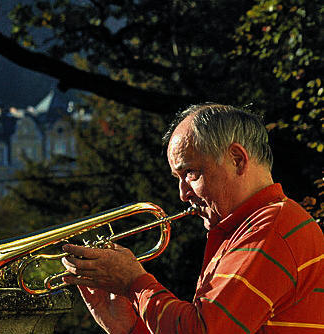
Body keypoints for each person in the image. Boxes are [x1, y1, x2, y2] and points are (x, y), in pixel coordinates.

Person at [61, 103, 324, 333]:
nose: (183, 194)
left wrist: (134, 284)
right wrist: (129, 328)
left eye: (191, 173)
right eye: (179, 178)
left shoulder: (270, 228)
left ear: (237, 159)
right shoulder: (248, 228)